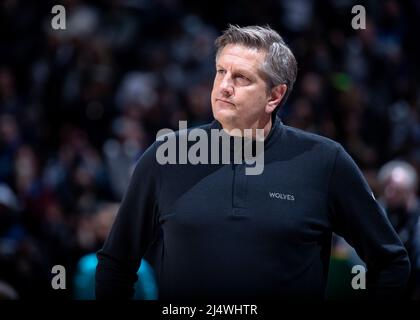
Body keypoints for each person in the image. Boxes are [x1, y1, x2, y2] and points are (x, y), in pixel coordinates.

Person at [95, 25, 410, 300]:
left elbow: (391, 263)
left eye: (241, 77)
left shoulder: (324, 162)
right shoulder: (165, 156)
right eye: (221, 71)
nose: (224, 86)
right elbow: (116, 264)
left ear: (275, 96)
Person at [377, 160, 420, 299]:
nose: (389, 193)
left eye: (396, 189)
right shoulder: (379, 210)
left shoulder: (416, 216)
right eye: (387, 187)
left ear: (410, 191)